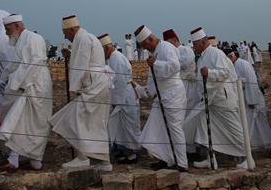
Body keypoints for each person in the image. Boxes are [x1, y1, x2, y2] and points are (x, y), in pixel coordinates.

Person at [50, 15, 111, 172]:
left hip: (93, 85)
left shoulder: (83, 39)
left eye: (65, 33)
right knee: (94, 123)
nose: (65, 36)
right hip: (96, 84)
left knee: (75, 118)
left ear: (72, 29)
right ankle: (102, 161)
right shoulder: (86, 38)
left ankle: (83, 157)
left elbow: (82, 65)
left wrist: (75, 88)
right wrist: (70, 56)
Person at [0, 13, 53, 172]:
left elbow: (34, 62)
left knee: (36, 123)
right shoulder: (18, 41)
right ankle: (16, 159)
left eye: (7, 29)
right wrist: (4, 78)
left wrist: (20, 83)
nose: (6, 33)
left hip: (35, 85)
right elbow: (14, 64)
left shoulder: (33, 39)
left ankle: (34, 159)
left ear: (17, 26)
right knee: (20, 121)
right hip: (24, 86)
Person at [186, 28, 248, 169]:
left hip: (222, 99)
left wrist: (209, 73)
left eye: (195, 44)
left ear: (203, 42)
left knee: (234, 129)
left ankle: (246, 157)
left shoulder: (216, 53)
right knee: (204, 127)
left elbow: (225, 72)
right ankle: (210, 158)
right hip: (209, 101)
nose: (194, 47)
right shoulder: (202, 57)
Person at [136, 25, 188, 171]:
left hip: (173, 95)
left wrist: (156, 64)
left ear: (151, 39)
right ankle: (167, 159)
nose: (146, 49)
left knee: (174, 128)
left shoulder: (166, 47)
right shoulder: (156, 51)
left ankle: (182, 163)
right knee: (158, 127)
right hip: (161, 96)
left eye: (146, 46)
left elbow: (174, 66)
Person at [100, 33, 141, 164]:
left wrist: (115, 101)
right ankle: (122, 151)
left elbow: (119, 81)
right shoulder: (113, 58)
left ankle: (133, 154)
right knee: (120, 127)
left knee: (129, 126)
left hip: (124, 97)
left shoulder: (116, 59)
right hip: (121, 96)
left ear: (106, 48)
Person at [227, 48, 271, 151]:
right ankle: (257, 145)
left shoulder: (243, 64)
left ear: (231, 56)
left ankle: (263, 145)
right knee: (254, 123)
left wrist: (252, 100)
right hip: (244, 97)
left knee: (252, 123)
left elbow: (251, 81)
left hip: (252, 98)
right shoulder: (235, 65)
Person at [164, 29, 202, 157]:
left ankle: (191, 148)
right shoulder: (172, 52)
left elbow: (178, 65)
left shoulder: (185, 50)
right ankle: (183, 148)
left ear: (175, 40)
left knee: (188, 117)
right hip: (178, 88)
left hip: (188, 88)